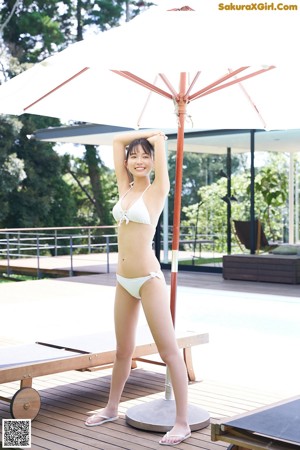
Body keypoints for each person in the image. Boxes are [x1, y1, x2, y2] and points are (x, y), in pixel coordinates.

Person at [85, 130, 191, 446]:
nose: (139, 160)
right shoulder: (125, 188)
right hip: (123, 281)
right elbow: (117, 142)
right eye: (135, 156)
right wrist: (141, 135)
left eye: (146, 156)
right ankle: (112, 407)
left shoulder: (158, 189)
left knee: (169, 352)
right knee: (122, 351)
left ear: (154, 161)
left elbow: (159, 144)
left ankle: (182, 422)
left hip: (148, 280)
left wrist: (156, 137)